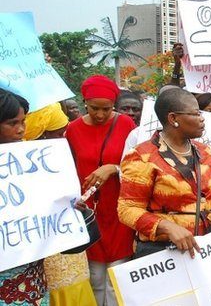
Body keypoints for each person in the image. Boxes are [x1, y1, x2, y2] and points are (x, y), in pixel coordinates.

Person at [117, 88, 211, 258]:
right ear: (173, 118)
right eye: (196, 114)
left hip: (206, 248)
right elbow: (127, 209)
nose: (202, 119)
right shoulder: (142, 156)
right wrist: (167, 226)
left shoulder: (204, 152)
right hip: (162, 253)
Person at [65, 75, 136, 306]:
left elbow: (137, 165)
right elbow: (66, 169)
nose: (100, 114)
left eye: (107, 109)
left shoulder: (126, 125)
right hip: (88, 212)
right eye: (94, 108)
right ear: (85, 102)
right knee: (94, 276)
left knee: (117, 278)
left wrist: (113, 168)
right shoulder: (72, 130)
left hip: (119, 211)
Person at [22, 102, 97, 306]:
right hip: (41, 256)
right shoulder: (15, 165)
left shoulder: (61, 156)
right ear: (40, 134)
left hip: (69, 252)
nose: (61, 139)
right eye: (55, 134)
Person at [0, 89, 50, 306]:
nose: (21, 130)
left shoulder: (34, 160)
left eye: (23, 121)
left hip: (31, 275)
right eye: (12, 123)